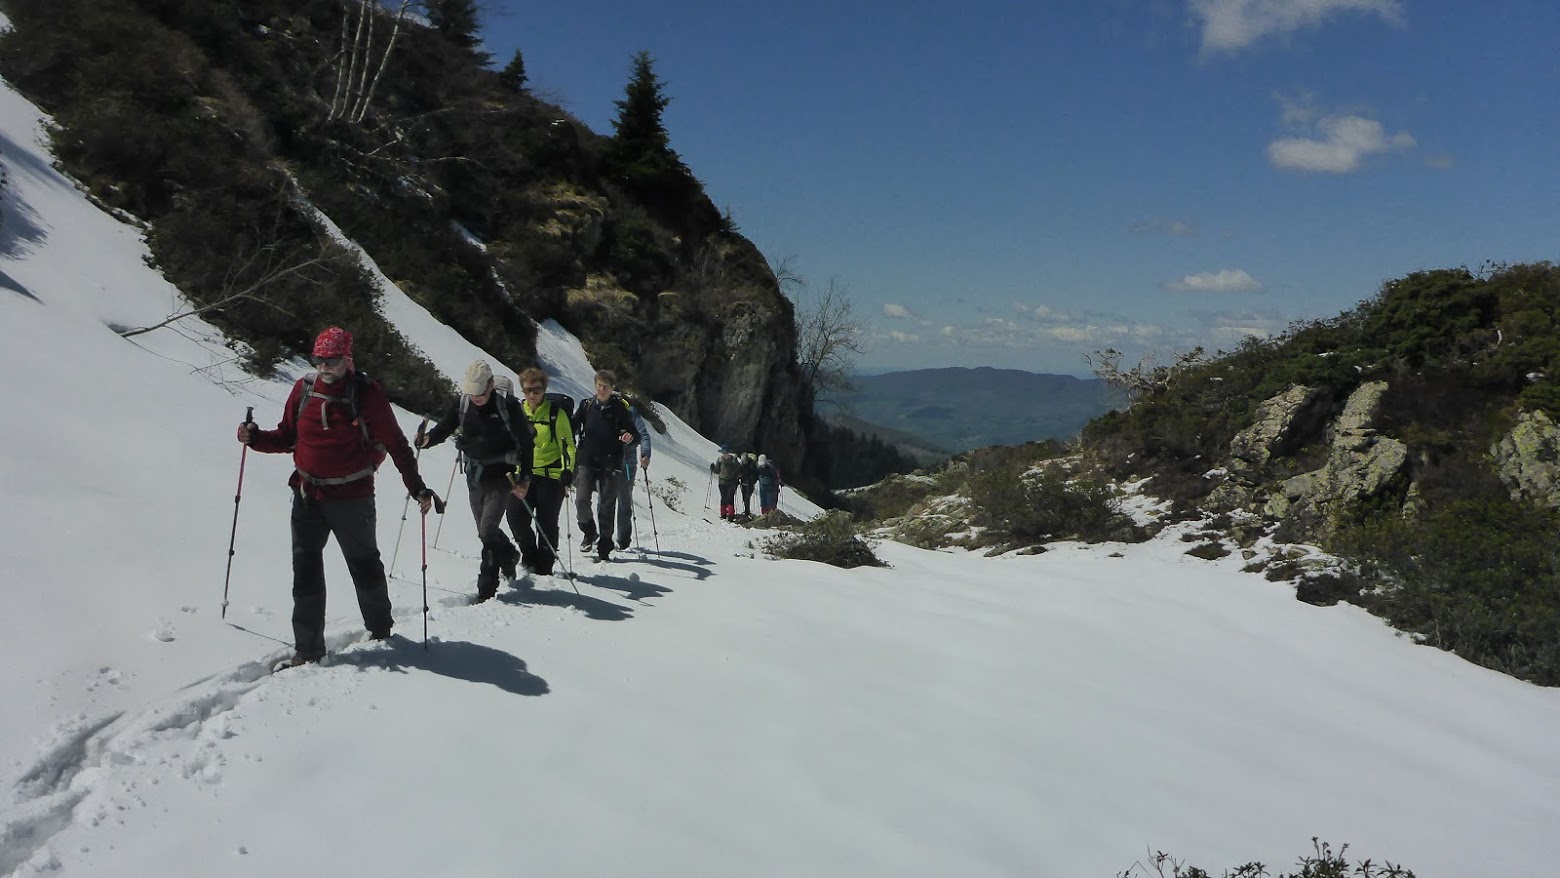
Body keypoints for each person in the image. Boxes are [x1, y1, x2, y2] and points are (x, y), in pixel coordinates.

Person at [236, 326, 433, 668]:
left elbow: (397, 444)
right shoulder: (304, 390)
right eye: (319, 359)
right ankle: (308, 649)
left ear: (348, 360)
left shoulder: (367, 395)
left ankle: (381, 629)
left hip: (352, 497)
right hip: (307, 494)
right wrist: (253, 438)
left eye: (333, 360)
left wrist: (416, 486)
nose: (325, 366)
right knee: (306, 572)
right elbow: (285, 438)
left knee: (364, 564)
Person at [419, 360, 533, 602]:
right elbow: (445, 427)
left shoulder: (508, 406)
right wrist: (428, 439)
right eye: (472, 394)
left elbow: (526, 443)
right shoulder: (462, 403)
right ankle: (509, 554)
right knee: (484, 532)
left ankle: (486, 587)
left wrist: (525, 479)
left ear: (491, 386)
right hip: (474, 475)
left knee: (488, 529)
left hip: (503, 476)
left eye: (480, 394)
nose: (476, 398)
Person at [572, 370, 640, 561]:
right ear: (595, 386)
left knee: (607, 506)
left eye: (606, 386)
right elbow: (574, 425)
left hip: (611, 462)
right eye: (599, 385)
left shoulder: (619, 409)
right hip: (587, 460)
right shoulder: (586, 405)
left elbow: (634, 434)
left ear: (612, 389)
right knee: (581, 500)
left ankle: (605, 546)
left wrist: (628, 436)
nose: (602, 389)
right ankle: (589, 531)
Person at [514, 367, 575, 576]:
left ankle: (545, 565)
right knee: (516, 518)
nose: (532, 395)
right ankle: (529, 554)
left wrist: (567, 470)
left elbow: (567, 444)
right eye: (528, 390)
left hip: (550, 476)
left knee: (547, 522)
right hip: (523, 476)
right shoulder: (518, 412)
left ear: (544, 390)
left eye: (537, 390)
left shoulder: (555, 413)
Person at [615, 399, 653, 550]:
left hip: (627, 464)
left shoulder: (631, 413)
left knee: (624, 500)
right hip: (608, 462)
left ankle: (623, 540)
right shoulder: (602, 409)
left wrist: (645, 454)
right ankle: (605, 539)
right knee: (606, 500)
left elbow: (643, 435)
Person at [711, 446, 740, 520]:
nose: (724, 454)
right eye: (723, 452)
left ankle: (730, 515)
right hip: (722, 482)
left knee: (730, 498)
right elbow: (717, 471)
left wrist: (736, 477)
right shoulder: (720, 460)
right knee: (723, 498)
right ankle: (723, 514)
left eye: (725, 452)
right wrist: (713, 469)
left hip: (731, 482)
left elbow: (738, 470)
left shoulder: (733, 460)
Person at [738, 452, 758, 518]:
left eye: (745, 460)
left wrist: (752, 480)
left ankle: (747, 512)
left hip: (750, 483)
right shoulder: (742, 464)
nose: (744, 462)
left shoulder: (752, 464)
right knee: (744, 497)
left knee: (747, 497)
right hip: (744, 482)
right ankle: (747, 511)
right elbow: (740, 472)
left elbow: (756, 474)